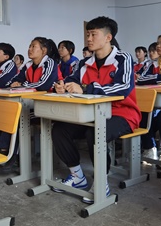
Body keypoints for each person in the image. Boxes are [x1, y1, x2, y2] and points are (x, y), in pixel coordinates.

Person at [52, 17, 140, 203]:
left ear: (108, 37)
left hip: (122, 113)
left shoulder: (122, 58)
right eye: (87, 35)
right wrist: (62, 86)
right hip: (91, 113)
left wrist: (85, 88)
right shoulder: (85, 63)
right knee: (59, 129)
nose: (89, 39)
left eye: (93, 34)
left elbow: (123, 87)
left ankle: (101, 182)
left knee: (95, 132)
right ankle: (77, 177)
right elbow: (71, 80)